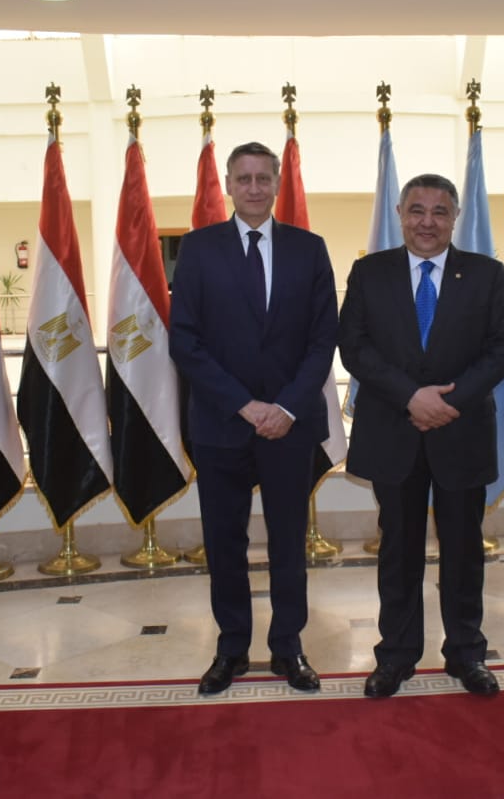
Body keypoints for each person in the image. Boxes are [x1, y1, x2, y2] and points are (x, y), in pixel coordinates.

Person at [338, 172, 504, 698]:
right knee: (398, 551)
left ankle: (466, 654)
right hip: (393, 433)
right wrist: (410, 397)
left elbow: (503, 348)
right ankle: (395, 656)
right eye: (417, 210)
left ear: (455, 217)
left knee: (464, 551)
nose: (427, 222)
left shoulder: (486, 274)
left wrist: (446, 403)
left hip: (460, 433)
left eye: (440, 212)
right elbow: (354, 345)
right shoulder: (370, 273)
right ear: (400, 214)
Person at [169, 141, 338, 695]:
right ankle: (231, 649)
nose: (254, 188)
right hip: (221, 425)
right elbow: (185, 342)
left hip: (290, 427)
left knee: (289, 542)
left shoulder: (310, 250)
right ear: (228, 185)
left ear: (277, 183)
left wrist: (285, 407)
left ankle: (289, 647)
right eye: (243, 178)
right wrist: (245, 405)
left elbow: (323, 340)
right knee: (225, 544)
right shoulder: (197, 250)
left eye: (264, 178)